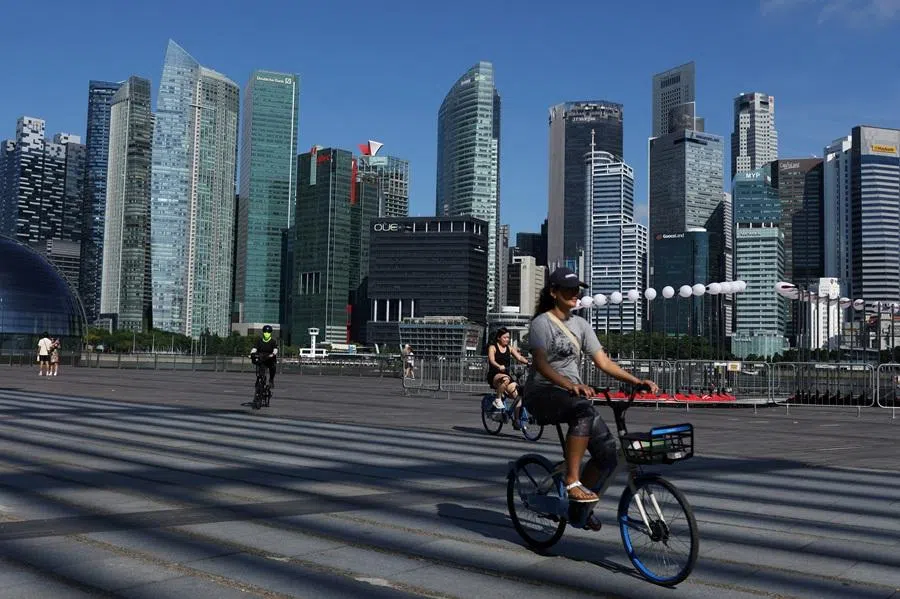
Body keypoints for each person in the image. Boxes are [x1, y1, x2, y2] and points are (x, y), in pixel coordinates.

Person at [524, 267, 658, 529]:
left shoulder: (581, 325)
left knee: (607, 455)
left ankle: (579, 509)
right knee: (582, 409)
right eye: (569, 289)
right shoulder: (541, 323)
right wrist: (569, 384)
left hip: (571, 395)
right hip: (541, 393)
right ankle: (572, 481)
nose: (575, 294)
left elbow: (603, 362)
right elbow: (541, 364)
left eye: (577, 290)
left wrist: (636, 381)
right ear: (553, 292)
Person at [486, 327, 529, 412]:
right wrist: (499, 366)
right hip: (495, 374)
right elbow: (492, 360)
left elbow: (519, 357)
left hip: (506, 375)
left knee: (518, 397)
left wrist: (528, 363)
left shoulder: (509, 348)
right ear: (499, 337)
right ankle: (497, 400)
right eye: (505, 337)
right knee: (505, 379)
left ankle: (517, 422)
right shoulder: (493, 347)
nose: (507, 339)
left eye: (508, 337)